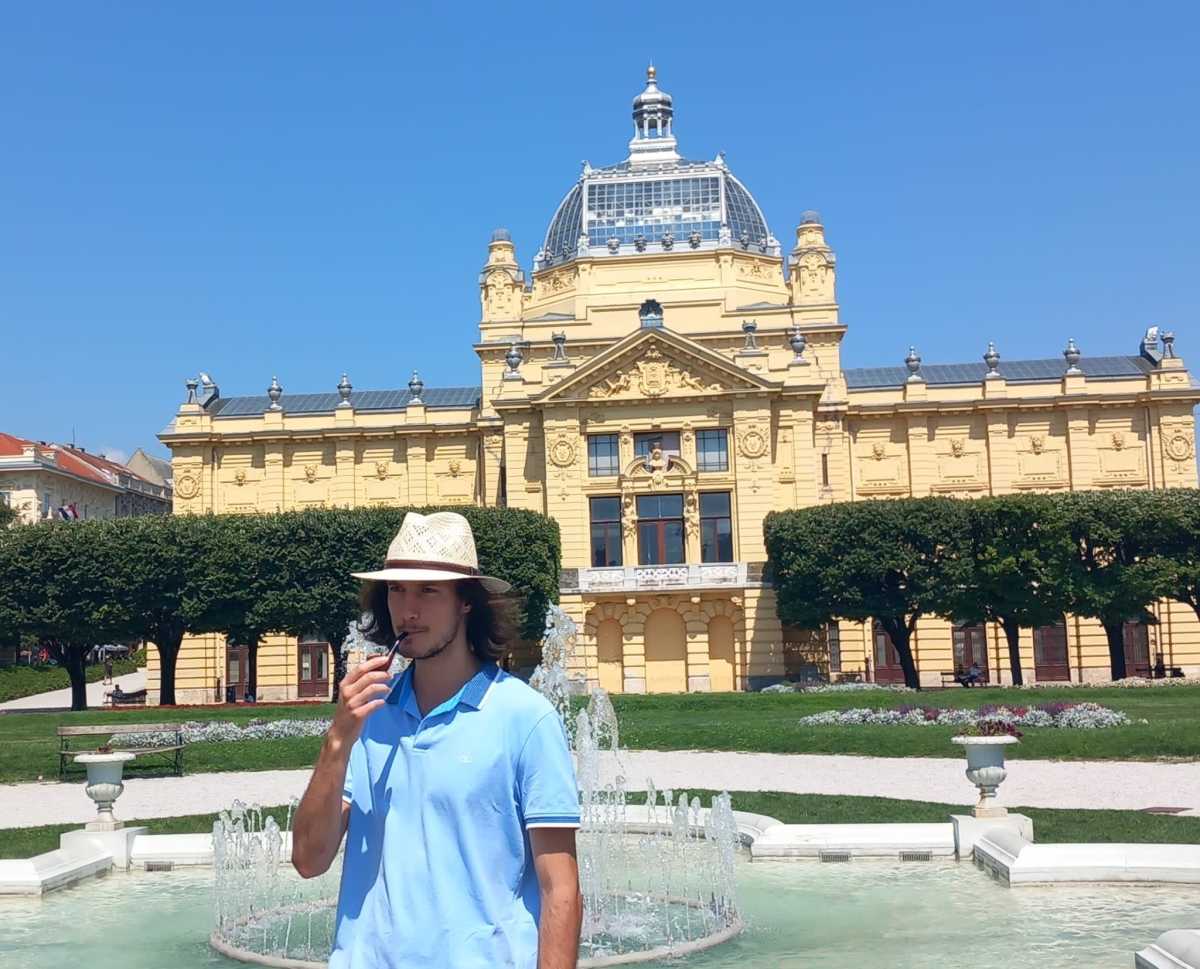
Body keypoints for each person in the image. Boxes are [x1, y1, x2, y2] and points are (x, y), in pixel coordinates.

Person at [291, 511, 582, 969]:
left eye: (428, 590)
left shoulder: (527, 718)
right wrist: (337, 740)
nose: (407, 610)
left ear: (466, 601)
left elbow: (560, 888)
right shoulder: (367, 719)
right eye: (396, 589)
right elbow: (309, 861)